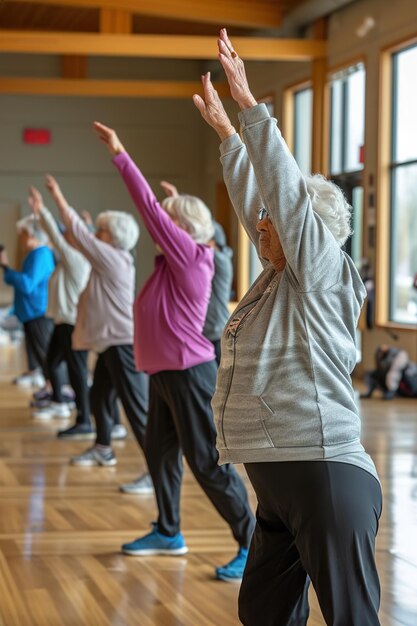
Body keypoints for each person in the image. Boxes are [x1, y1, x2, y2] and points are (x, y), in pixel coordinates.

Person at [193, 29, 382, 625]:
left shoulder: (321, 273)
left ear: (305, 234)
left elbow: (285, 203)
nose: (261, 226)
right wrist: (227, 137)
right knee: (265, 612)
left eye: (272, 220)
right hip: (280, 480)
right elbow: (263, 203)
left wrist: (251, 109)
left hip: (325, 471)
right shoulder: (278, 277)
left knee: (350, 617)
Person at [93, 120, 255, 581]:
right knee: (159, 453)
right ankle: (168, 531)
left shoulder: (192, 258)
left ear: (183, 230)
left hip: (189, 373)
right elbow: (162, 215)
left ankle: (251, 545)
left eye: (171, 221)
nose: (161, 228)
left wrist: (122, 153)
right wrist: (175, 201)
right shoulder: (177, 260)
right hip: (164, 373)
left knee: (206, 463)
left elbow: (149, 211)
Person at [44, 175, 149, 479]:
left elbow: (77, 231)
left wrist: (58, 195)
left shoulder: (112, 258)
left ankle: (156, 472)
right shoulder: (112, 258)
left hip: (122, 345)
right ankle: (103, 447)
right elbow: (83, 235)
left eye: (100, 230)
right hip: (109, 345)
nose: (95, 233)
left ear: (112, 237)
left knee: (137, 412)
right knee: (99, 396)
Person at [27, 185, 92, 435]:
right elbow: (56, 237)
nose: (65, 237)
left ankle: (84, 419)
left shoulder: (76, 258)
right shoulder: (68, 259)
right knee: (52, 363)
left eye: (70, 235)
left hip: (73, 324)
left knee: (77, 373)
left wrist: (42, 208)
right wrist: (40, 215)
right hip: (63, 322)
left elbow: (55, 236)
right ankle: (61, 401)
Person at [160, 180, 233, 364]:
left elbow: (194, 235)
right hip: (205, 332)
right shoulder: (209, 257)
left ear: (211, 242)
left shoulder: (219, 260)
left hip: (214, 334)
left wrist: (178, 203)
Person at [0, 215, 55, 386]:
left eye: (22, 234)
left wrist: (8, 271)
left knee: (44, 353)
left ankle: (56, 391)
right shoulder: (33, 254)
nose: (20, 239)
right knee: (35, 351)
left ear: (32, 235)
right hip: (30, 311)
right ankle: (45, 384)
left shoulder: (41, 254)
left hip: (38, 310)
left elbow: (27, 283)